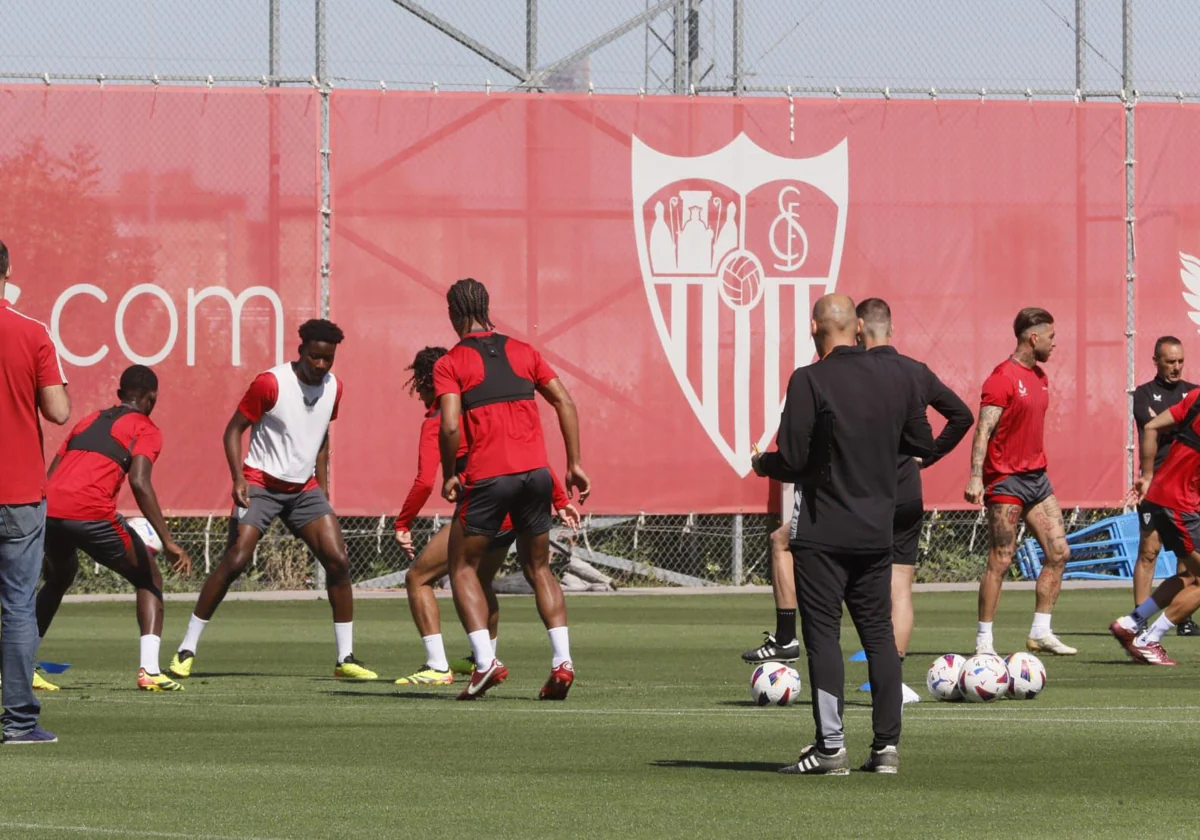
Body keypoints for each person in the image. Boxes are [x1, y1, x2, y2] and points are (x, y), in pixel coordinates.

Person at [753, 293, 934, 777]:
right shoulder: (894, 377)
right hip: (877, 530)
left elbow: (790, 460)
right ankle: (886, 749)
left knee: (824, 639)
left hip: (823, 533)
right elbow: (923, 442)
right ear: (857, 327)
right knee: (878, 635)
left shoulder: (809, 378)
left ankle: (831, 749)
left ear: (815, 327)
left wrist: (761, 463)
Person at [169, 319, 377, 680]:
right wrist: (237, 478)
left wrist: (323, 490)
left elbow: (322, 439)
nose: (321, 365)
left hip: (303, 489)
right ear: (301, 350)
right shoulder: (270, 383)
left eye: (328, 359)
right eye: (315, 357)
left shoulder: (334, 388)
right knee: (237, 558)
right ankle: (186, 648)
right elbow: (232, 431)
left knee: (339, 561)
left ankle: (346, 659)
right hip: (260, 483)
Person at [433, 278, 590, 701]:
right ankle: (562, 662)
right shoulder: (524, 351)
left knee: (462, 568)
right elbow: (566, 402)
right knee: (539, 568)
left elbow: (449, 425)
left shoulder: (450, 363)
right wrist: (573, 464)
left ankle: (485, 664)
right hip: (537, 476)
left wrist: (449, 472)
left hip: (489, 478)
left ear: (453, 313)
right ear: (488, 306)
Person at [393, 346, 578, 686]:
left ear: (428, 381)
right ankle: (487, 657)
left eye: (419, 385)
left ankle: (438, 665)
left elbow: (423, 481)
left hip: (485, 509)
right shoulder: (482, 408)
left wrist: (403, 522)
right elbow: (529, 455)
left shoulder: (439, 420)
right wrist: (561, 498)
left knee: (418, 577)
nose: (419, 392)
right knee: (483, 580)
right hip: (518, 505)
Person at [36, 365, 192, 691]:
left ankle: (18, 666)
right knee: (149, 578)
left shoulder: (89, 419)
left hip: (50, 508)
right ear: (152, 399)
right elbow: (139, 481)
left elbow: (55, 469)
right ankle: (149, 670)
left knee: (59, 576)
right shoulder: (146, 428)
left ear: (120, 395)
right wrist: (169, 540)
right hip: (91, 512)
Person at [856, 298, 974, 702]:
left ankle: (867, 666)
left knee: (856, 579)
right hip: (906, 489)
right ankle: (889, 681)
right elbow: (961, 415)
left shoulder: (852, 373)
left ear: (859, 327)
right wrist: (929, 456)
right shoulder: (914, 371)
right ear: (890, 328)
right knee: (900, 586)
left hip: (864, 490)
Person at [965, 308, 1075, 657]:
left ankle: (1040, 632)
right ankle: (984, 642)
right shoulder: (1002, 377)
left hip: (1037, 479)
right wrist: (975, 476)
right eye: (1051, 337)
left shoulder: (1041, 376)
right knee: (1001, 558)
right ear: (1033, 337)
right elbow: (983, 429)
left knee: (1059, 552)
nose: (1054, 344)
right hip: (1006, 480)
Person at [0, 238, 70, 744]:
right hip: (18, 490)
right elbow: (59, 411)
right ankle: (20, 722)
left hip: (21, 491)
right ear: (7, 271)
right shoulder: (31, 332)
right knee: (18, 606)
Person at [1110, 388, 1200, 665]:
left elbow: (1151, 426)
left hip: (1163, 495)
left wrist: (1147, 475)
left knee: (1190, 577)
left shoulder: (1196, 396)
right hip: (1180, 503)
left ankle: (1131, 622)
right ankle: (1150, 638)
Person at [1131, 336, 1200, 636]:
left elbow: (1171, 430)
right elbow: (1152, 427)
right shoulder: (1145, 394)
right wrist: (1146, 474)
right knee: (1149, 549)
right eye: (1170, 361)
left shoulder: (1192, 393)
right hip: (1158, 482)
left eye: (1180, 361)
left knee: (1187, 559)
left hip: (1189, 485)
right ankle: (1140, 622)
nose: (1176, 367)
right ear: (1156, 361)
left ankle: (1181, 618)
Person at [740, 485, 799, 666]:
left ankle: (786, 638)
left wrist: (764, 464)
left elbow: (794, 461)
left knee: (780, 541)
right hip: (879, 502)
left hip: (838, 503)